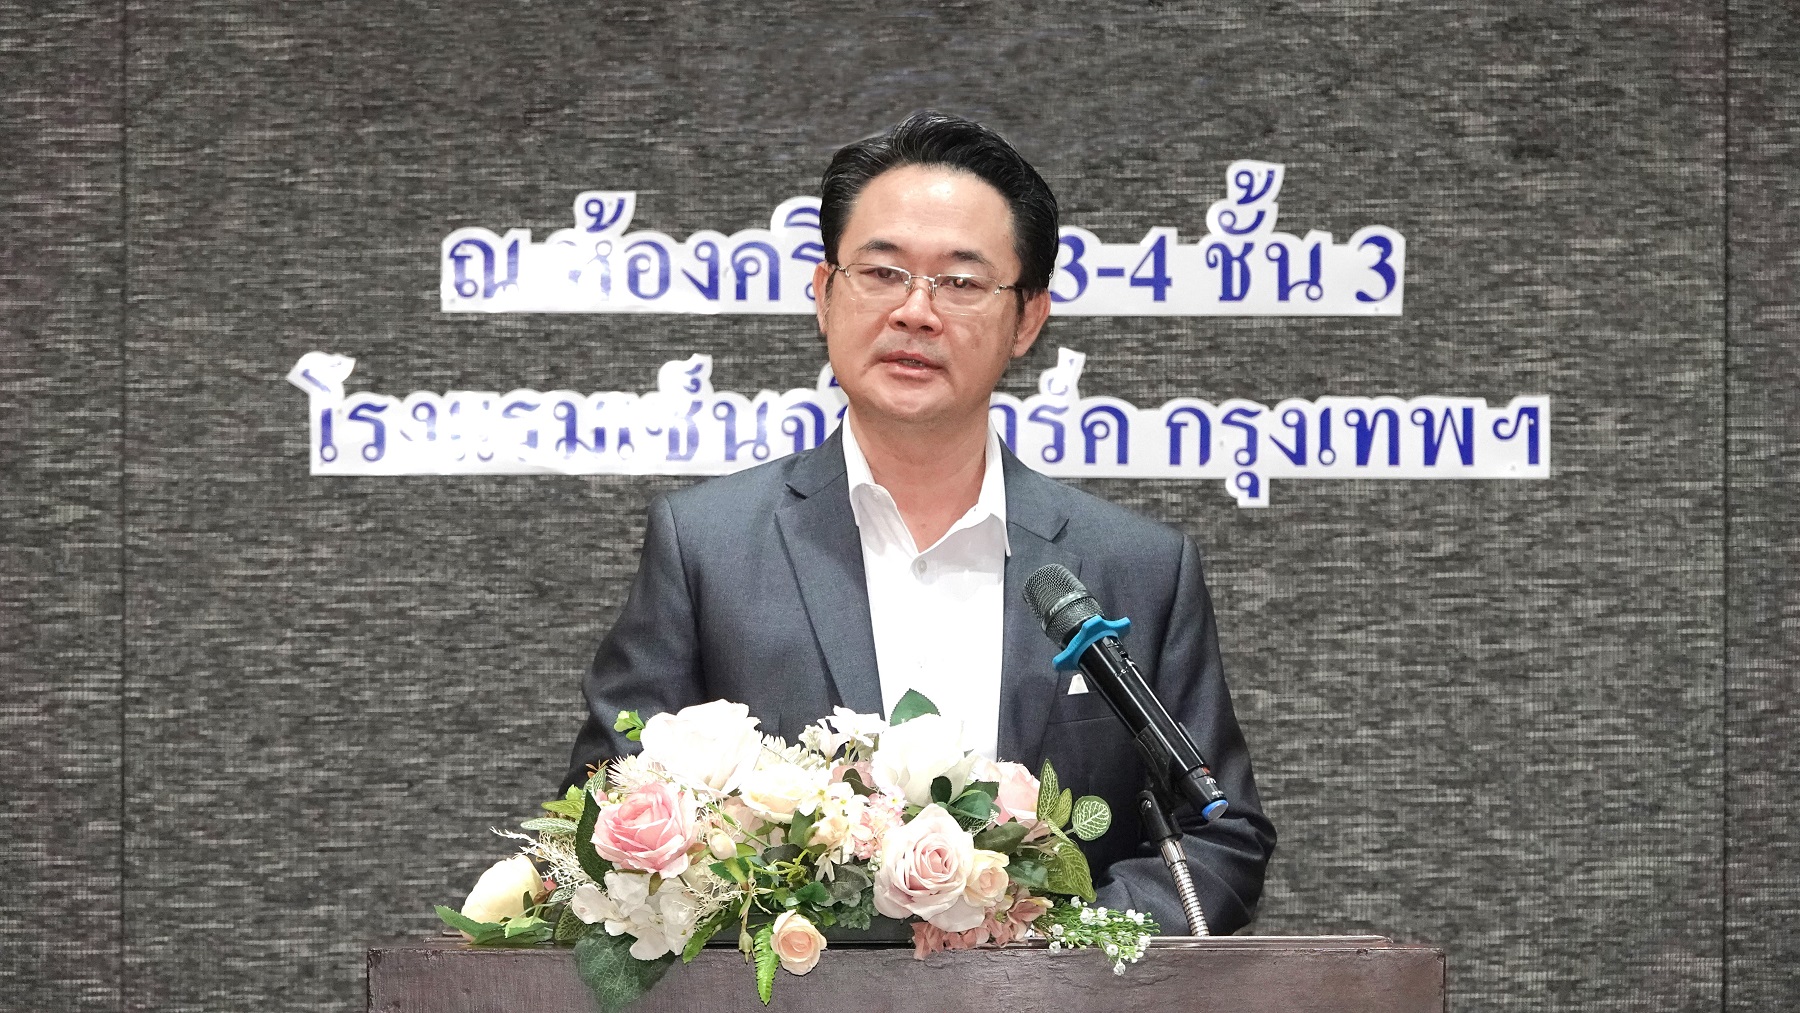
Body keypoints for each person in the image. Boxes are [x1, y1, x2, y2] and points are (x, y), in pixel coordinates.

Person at [565, 111, 1275, 934]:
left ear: (1028, 319)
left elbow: (1219, 834)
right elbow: (606, 814)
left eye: (962, 282)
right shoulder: (706, 548)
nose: (916, 311)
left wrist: (1059, 945)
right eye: (882, 272)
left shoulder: (1138, 568)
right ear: (824, 293)